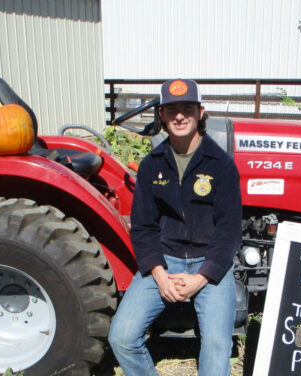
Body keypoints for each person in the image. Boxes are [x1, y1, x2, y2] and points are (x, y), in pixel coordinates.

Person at [108, 79, 242, 376]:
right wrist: (159, 274)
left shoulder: (221, 165)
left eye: (187, 109)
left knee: (218, 346)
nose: (179, 116)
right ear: (162, 116)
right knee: (122, 337)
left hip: (209, 263)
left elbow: (229, 231)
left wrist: (200, 278)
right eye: (172, 110)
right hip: (165, 260)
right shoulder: (151, 164)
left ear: (201, 112)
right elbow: (143, 227)